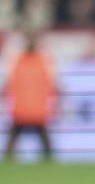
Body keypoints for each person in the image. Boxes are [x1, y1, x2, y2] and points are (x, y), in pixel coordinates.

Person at [3, 30, 57, 161]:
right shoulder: (43, 62)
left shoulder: (18, 62)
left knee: (16, 136)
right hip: (30, 108)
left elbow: (7, 86)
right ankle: (48, 161)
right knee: (42, 137)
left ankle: (9, 159)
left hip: (26, 108)